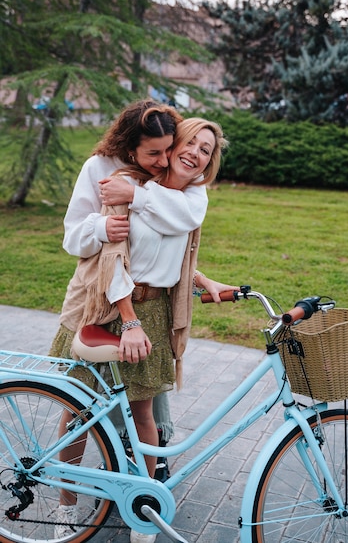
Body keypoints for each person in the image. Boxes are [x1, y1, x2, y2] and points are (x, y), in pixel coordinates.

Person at [50, 107, 237, 543]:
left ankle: (142, 504)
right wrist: (101, 224)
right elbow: (107, 254)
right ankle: (65, 505)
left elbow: (172, 240)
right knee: (78, 410)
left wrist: (200, 278)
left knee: (144, 411)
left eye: (196, 149)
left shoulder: (172, 191)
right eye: (163, 150)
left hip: (151, 312)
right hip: (103, 307)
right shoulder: (117, 177)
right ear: (132, 147)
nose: (173, 156)